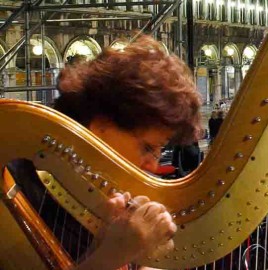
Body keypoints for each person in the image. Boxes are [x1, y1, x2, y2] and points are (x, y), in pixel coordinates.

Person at [9, 37, 195, 269]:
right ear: (101, 125)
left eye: (159, 151)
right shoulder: (15, 184)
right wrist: (112, 255)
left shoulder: (103, 197)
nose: (153, 166)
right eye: (147, 148)